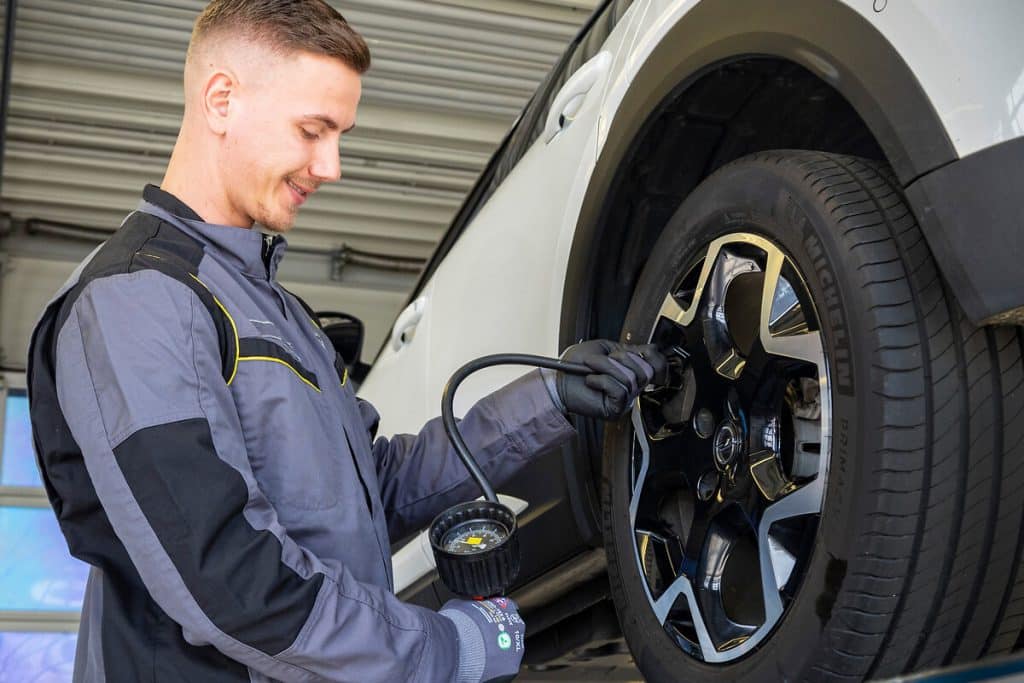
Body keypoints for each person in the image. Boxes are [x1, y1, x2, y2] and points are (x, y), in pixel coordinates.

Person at [26, 1, 668, 681]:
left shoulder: (276, 311)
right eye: (312, 129)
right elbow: (225, 577)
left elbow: (374, 493)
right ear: (221, 100)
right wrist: (445, 648)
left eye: (340, 135)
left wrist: (549, 397)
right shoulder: (136, 299)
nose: (330, 165)